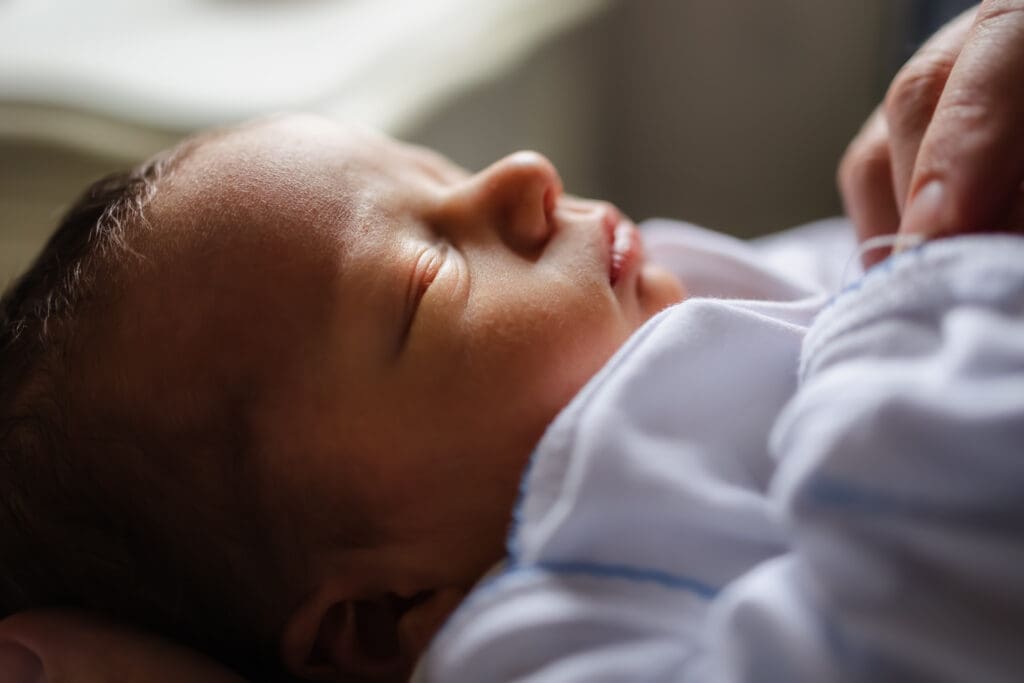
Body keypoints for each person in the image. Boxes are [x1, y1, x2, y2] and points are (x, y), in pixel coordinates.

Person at [2, 0, 1024, 679]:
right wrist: (930, 280)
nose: (526, 172)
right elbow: (902, 629)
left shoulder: (679, 286)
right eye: (430, 274)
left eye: (446, 171)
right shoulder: (545, 635)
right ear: (382, 615)